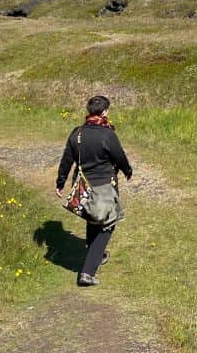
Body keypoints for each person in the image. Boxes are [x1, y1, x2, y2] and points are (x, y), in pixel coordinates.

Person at [55, 95, 132, 287]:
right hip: (105, 185)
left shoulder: (77, 133)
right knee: (106, 224)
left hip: (83, 185)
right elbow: (119, 156)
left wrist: (61, 182)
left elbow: (67, 159)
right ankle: (88, 272)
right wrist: (127, 170)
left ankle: (97, 253)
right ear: (105, 112)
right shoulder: (107, 135)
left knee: (93, 218)